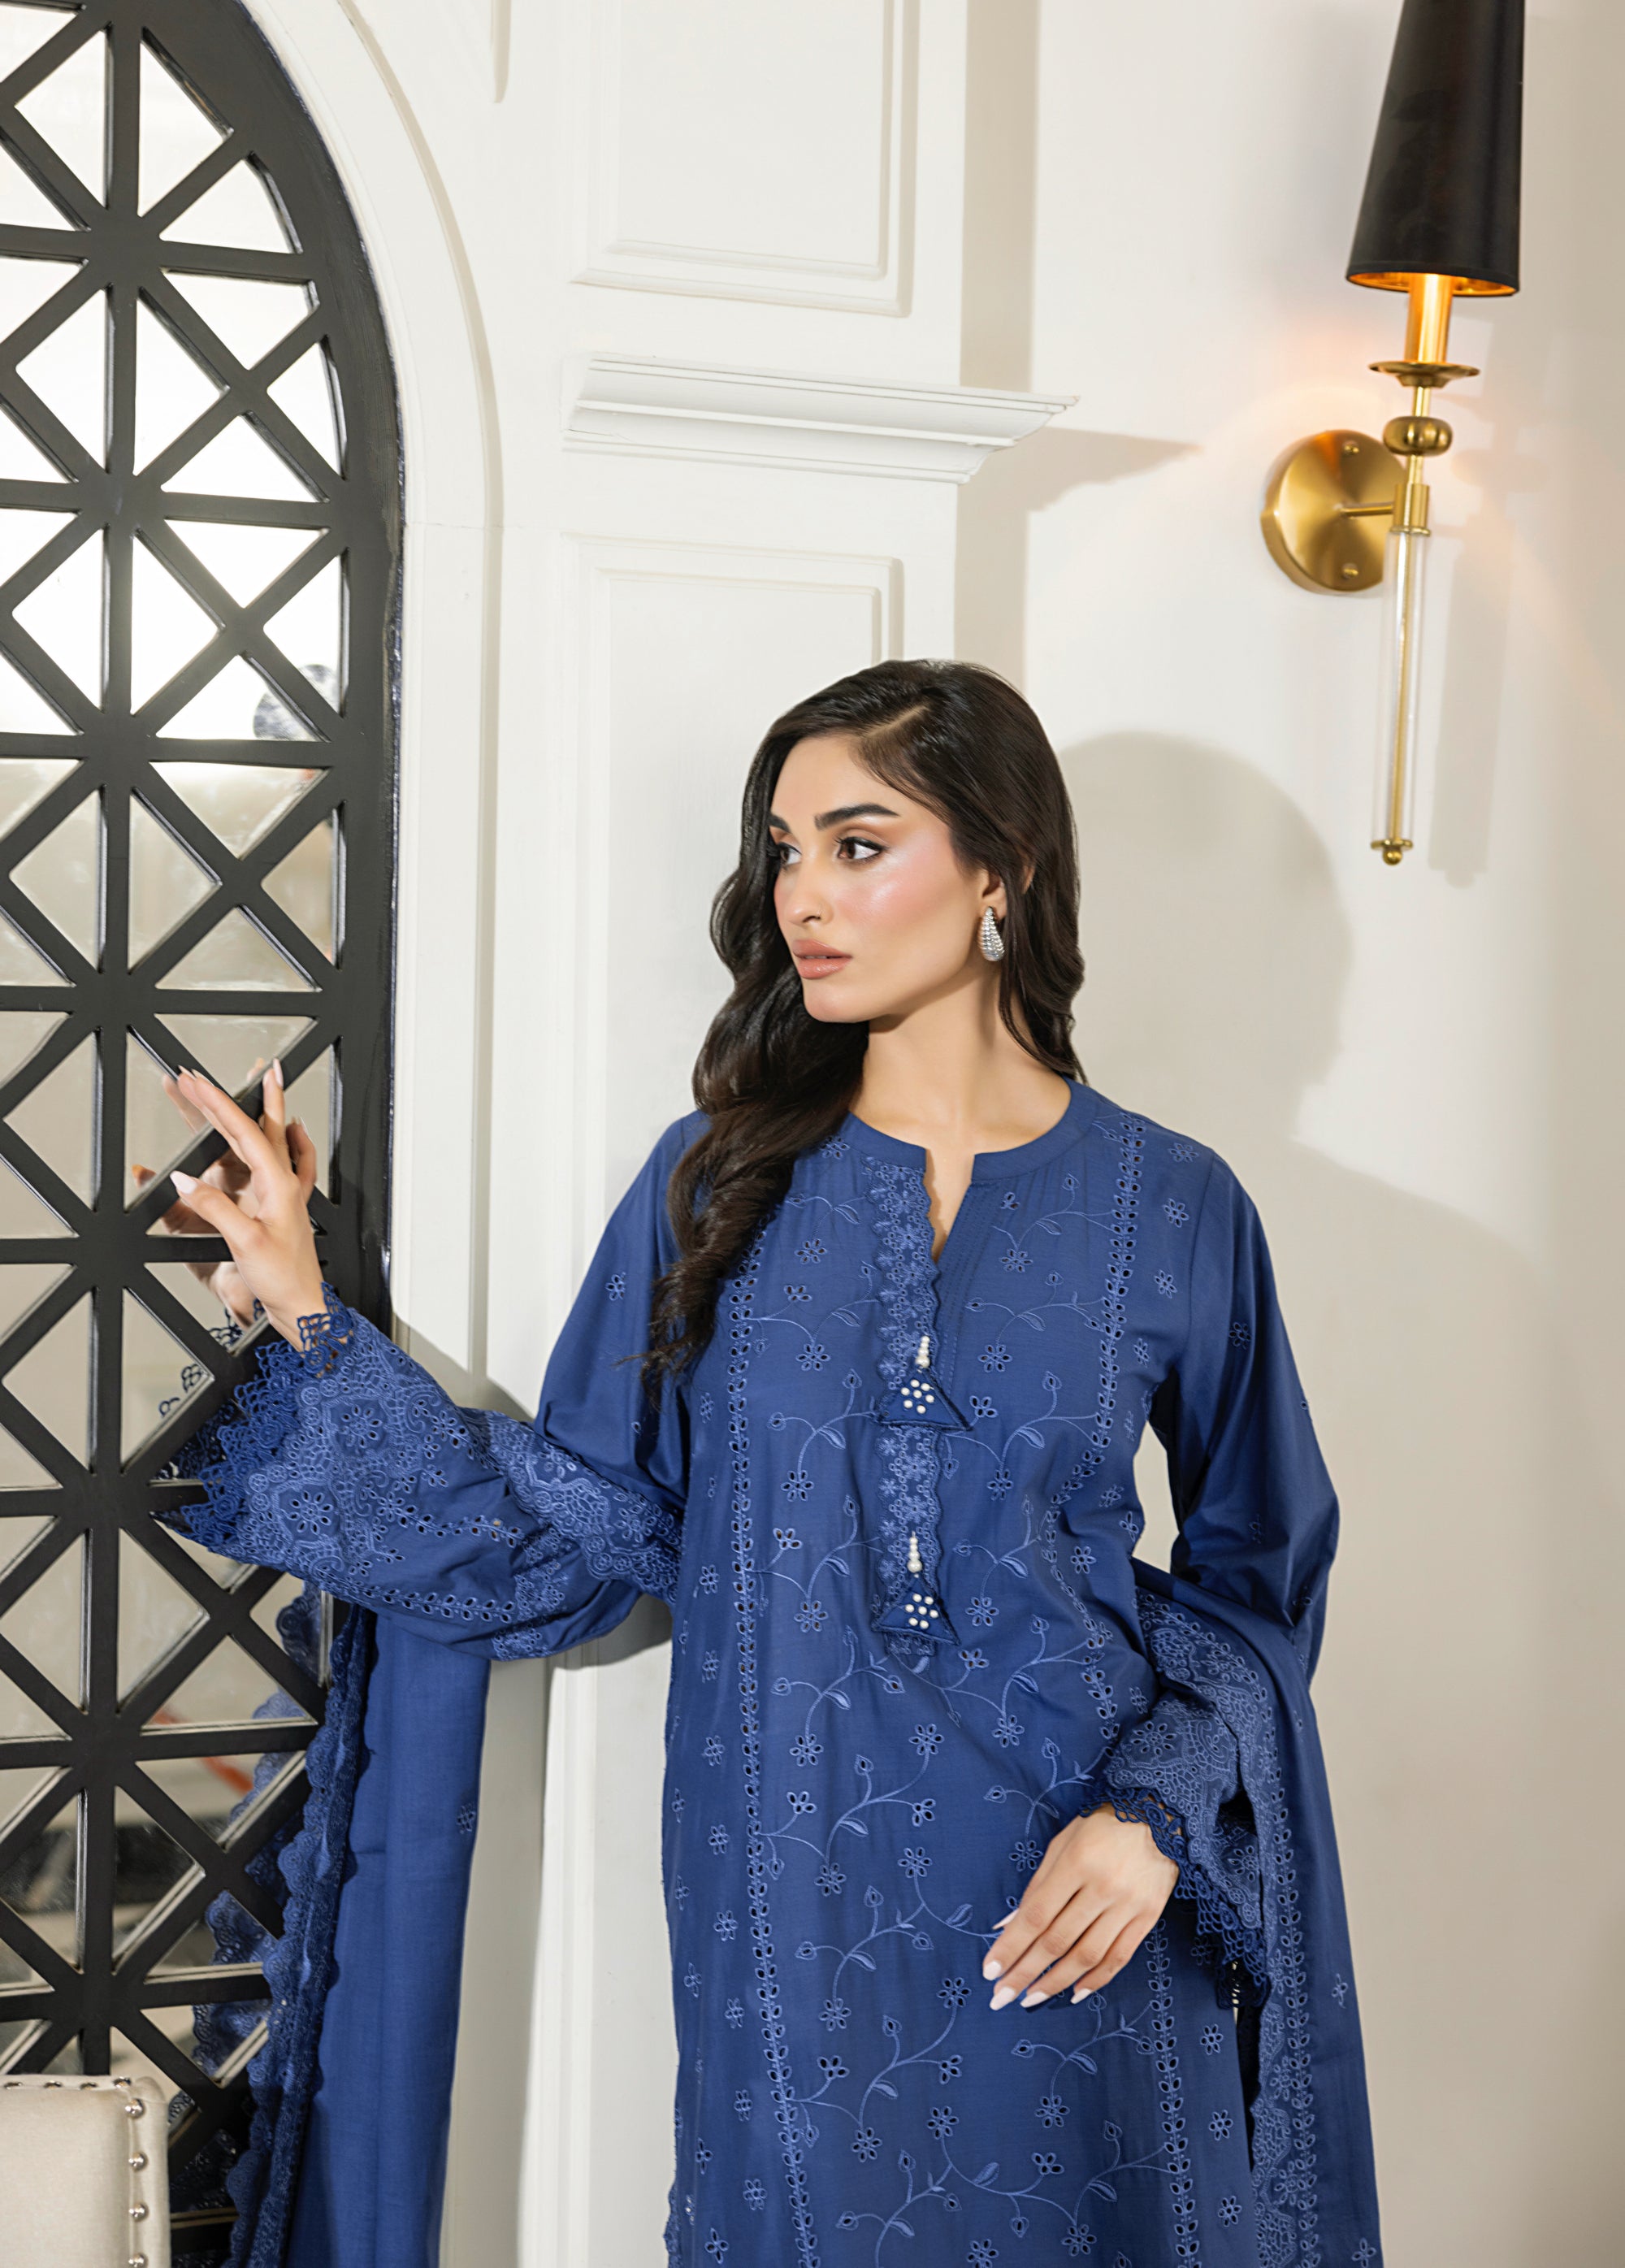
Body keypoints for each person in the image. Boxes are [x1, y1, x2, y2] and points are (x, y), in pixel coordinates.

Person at [165, 660, 1382, 2267]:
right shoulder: (713, 1184)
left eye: (858, 846)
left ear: (1003, 869)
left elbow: (1261, 1575)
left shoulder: (1175, 1204)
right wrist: (311, 1316)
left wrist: (1151, 1820)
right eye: (785, 850)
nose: (804, 894)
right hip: (793, 1911)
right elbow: (571, 1533)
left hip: (1084, 1902)